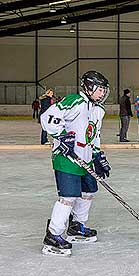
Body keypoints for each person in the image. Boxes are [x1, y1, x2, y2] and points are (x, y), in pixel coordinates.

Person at [40, 71, 112, 257]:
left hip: (85, 158)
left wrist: (98, 155)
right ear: (89, 87)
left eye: (104, 90)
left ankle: (76, 226)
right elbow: (48, 117)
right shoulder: (75, 101)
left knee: (88, 192)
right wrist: (61, 136)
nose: (102, 93)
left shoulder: (98, 110)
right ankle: (53, 235)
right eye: (100, 89)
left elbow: (93, 135)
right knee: (68, 197)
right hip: (67, 158)